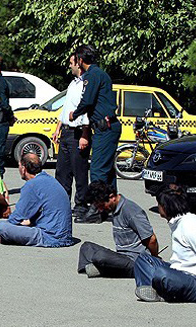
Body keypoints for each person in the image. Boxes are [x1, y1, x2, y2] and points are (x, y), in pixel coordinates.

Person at [134, 186, 196, 303]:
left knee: (162, 274)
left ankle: (164, 292)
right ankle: (155, 291)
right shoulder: (178, 223)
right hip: (182, 274)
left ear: (166, 207)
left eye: (159, 204)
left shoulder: (191, 226)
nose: (158, 207)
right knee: (144, 259)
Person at [70, 45, 121, 224]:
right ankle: (112, 208)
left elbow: (88, 100)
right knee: (108, 172)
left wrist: (74, 113)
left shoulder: (92, 76)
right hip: (107, 126)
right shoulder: (101, 74)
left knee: (98, 169)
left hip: (104, 127)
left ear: (81, 60)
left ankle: (97, 210)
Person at [0, 153, 73, 247]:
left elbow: (17, 217)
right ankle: (14, 237)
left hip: (49, 237)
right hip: (66, 237)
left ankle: (8, 238)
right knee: (24, 224)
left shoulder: (32, 185)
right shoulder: (49, 179)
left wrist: (8, 229)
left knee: (1, 226)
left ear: (23, 168)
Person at [77, 181, 158, 278]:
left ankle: (104, 269)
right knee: (86, 247)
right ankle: (102, 269)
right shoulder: (114, 209)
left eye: (102, 206)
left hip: (136, 260)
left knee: (100, 256)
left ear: (112, 197)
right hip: (121, 257)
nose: (101, 210)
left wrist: (154, 258)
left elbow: (152, 239)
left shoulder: (131, 211)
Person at [53, 54, 91, 218]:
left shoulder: (86, 84)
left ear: (79, 64)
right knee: (62, 171)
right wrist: (58, 128)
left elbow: (87, 110)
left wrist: (85, 134)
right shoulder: (72, 84)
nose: (69, 66)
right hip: (66, 132)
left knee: (80, 171)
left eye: (71, 63)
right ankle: (62, 203)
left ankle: (81, 206)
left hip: (78, 133)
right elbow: (66, 108)